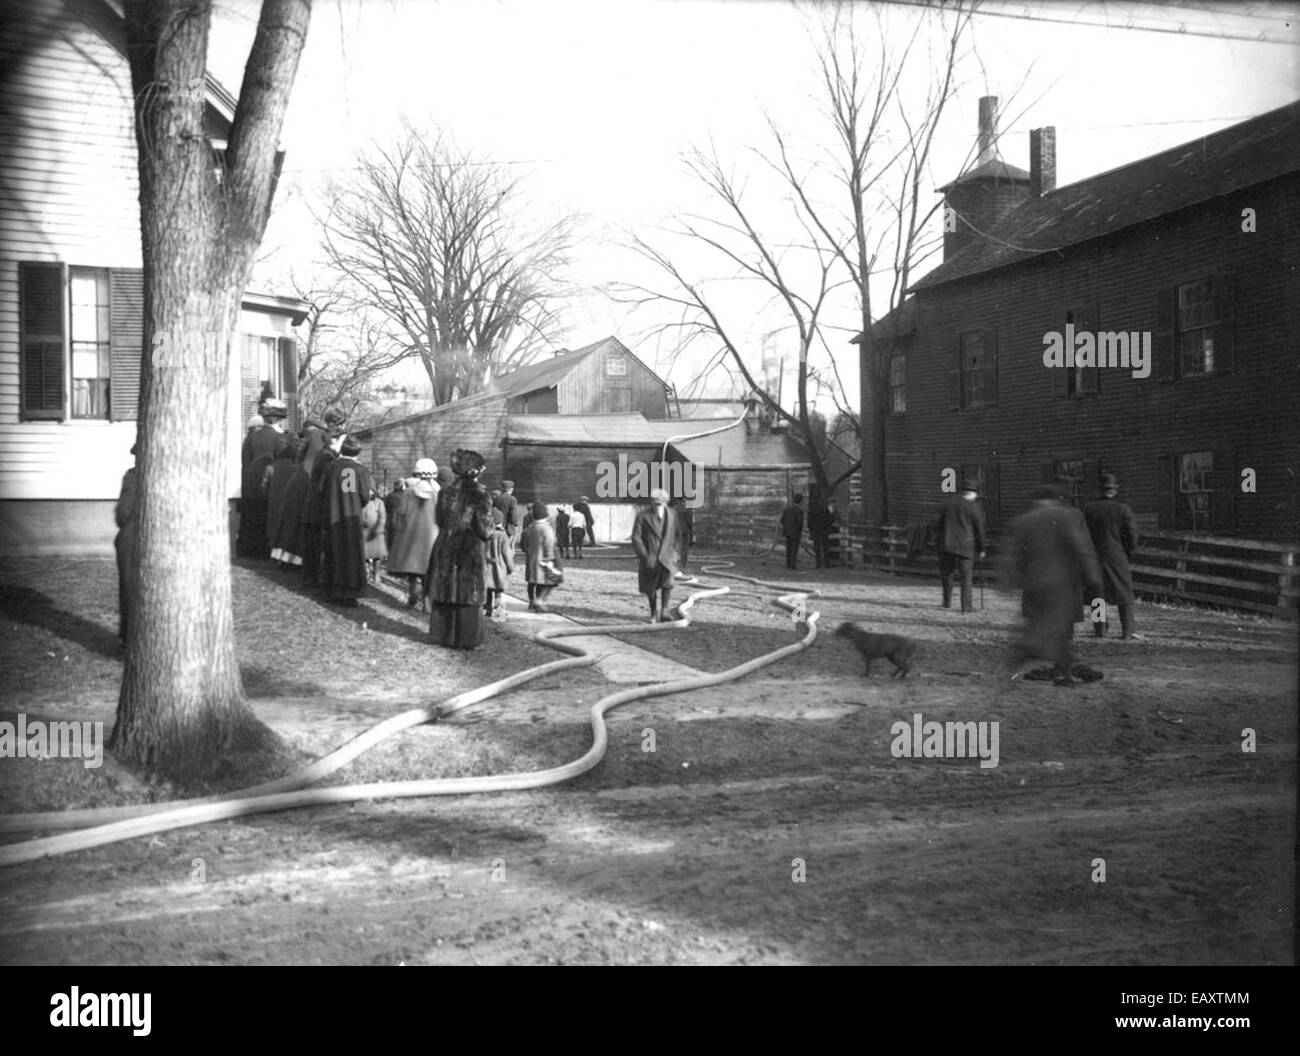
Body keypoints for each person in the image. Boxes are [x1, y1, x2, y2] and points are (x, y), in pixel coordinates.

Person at [1001, 484, 1103, 686]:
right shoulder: (1064, 517)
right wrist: (1092, 575)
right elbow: (1081, 548)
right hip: (1061, 583)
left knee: (1041, 624)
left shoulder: (1023, 520)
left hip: (1034, 584)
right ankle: (1030, 653)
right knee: (1062, 627)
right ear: (1054, 499)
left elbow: (1011, 555)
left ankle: (1059, 669)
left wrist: (1007, 582)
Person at [426, 449, 494, 649]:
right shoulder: (480, 495)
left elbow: (439, 519)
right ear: (476, 471)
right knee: (468, 594)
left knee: (445, 591)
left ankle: (443, 636)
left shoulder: (445, 491)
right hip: (469, 549)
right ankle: (467, 639)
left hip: (445, 544)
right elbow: (485, 530)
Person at [1083, 473, 1141, 640]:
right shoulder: (1122, 509)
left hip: (1093, 558)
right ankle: (1127, 631)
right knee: (1124, 593)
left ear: (1097, 490)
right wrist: (1128, 553)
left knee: (1097, 595)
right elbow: (1132, 537)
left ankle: (1100, 630)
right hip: (1117, 557)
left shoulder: (1087, 509)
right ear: (1114, 491)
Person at [319, 434, 373, 606]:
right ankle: (349, 593)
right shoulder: (361, 470)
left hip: (332, 515)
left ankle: (331, 589)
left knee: (333, 550)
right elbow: (365, 496)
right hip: (351, 517)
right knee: (351, 552)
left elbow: (321, 489)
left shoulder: (331, 467)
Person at [237, 399, 290, 557]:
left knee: (252, 516)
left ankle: (249, 550)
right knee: (267, 516)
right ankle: (266, 550)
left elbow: (245, 462)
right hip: (272, 483)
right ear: (277, 419)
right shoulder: (282, 438)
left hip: (251, 482)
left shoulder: (251, 438)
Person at [388, 458, 440, 608]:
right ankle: (427, 603)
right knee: (429, 571)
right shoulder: (438, 492)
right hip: (432, 536)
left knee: (413, 569)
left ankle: (412, 593)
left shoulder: (409, 492)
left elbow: (401, 512)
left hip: (411, 536)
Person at [935, 479, 987, 613]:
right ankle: (966, 606)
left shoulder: (946, 504)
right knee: (966, 577)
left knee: (947, 575)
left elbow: (937, 524)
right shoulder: (973, 507)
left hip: (946, 545)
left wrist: (939, 540)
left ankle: (947, 602)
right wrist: (981, 548)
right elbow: (979, 529)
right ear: (973, 493)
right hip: (966, 547)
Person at [631, 488, 680, 622]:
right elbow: (636, 538)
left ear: (666, 502)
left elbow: (678, 535)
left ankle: (665, 611)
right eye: (654, 502)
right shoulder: (642, 516)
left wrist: (675, 554)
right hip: (650, 557)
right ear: (651, 502)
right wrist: (644, 555)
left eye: (660, 503)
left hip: (668, 557)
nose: (657, 505)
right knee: (650, 587)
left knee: (667, 583)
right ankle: (653, 613)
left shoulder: (672, 514)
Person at [114, 443, 139, 642]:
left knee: (129, 587)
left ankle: (128, 636)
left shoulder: (132, 476)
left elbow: (123, 514)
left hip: (131, 539)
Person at [265, 439, 300, 569]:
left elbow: (264, 488)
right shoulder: (296, 469)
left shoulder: (270, 468)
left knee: (274, 529)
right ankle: (286, 558)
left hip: (274, 502)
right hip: (290, 504)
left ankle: (273, 556)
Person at [522, 501, 560, 613]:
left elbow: (523, 544)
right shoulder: (546, 529)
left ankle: (531, 601)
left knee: (531, 581)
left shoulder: (528, 529)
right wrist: (551, 559)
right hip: (544, 560)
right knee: (545, 582)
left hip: (531, 559)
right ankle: (539, 602)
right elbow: (550, 545)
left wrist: (528, 552)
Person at [483, 507, 515, 621]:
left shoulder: (485, 534)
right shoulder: (502, 536)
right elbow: (506, 554)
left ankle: (488, 610)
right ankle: (498, 613)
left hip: (487, 567)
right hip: (499, 568)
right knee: (498, 593)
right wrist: (510, 568)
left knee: (488, 591)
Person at [362, 486, 387, 583]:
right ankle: (366, 573)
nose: (368, 492)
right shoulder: (360, 501)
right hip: (363, 532)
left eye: (370, 490)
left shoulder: (379, 502)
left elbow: (382, 516)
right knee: (364, 555)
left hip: (376, 532)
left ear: (373, 491)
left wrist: (379, 528)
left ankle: (376, 575)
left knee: (377, 556)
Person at [494, 480, 521, 552]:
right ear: (511, 489)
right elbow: (513, 514)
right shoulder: (512, 499)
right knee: (509, 547)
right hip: (509, 527)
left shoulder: (496, 499)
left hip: (498, 525)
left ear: (502, 488)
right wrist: (515, 523)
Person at [779, 494, 804, 570]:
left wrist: (786, 527)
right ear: (800, 501)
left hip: (787, 532)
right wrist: (799, 530)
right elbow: (800, 522)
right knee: (794, 549)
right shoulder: (799, 510)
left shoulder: (787, 509)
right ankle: (793, 565)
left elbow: (782, 520)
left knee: (789, 548)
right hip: (795, 532)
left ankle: (788, 564)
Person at [808, 495, 833, 569]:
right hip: (824, 530)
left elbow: (809, 521)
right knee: (825, 547)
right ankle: (826, 563)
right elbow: (831, 519)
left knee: (817, 547)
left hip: (815, 530)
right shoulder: (826, 509)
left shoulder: (812, 510)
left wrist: (811, 529)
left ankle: (818, 563)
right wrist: (827, 525)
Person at [383, 479, 407, 553]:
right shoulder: (405, 495)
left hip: (390, 518)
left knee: (391, 537)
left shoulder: (390, 495)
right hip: (400, 518)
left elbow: (385, 506)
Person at [671, 496, 694, 573]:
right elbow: (689, 521)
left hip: (674, 531)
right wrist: (691, 530)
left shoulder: (672, 509)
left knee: (674, 548)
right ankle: (683, 564)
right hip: (684, 530)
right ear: (682, 500)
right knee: (684, 548)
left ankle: (673, 563)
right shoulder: (685, 509)